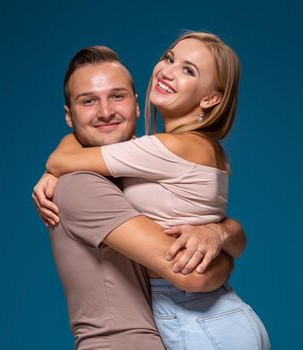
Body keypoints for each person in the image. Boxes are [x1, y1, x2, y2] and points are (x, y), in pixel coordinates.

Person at [40, 32, 270, 349]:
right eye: (169, 58)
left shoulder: (165, 149)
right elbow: (67, 160)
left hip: (200, 322)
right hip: (206, 317)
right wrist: (222, 239)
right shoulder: (136, 163)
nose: (105, 111)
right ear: (69, 115)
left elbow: (194, 274)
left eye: (189, 70)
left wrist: (218, 235)